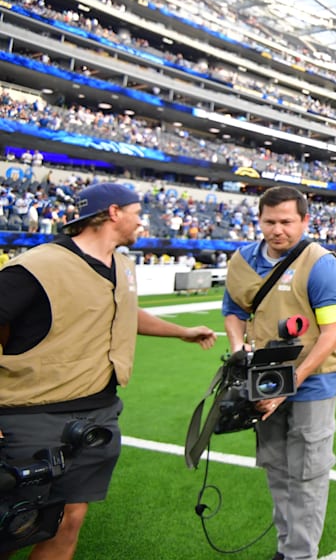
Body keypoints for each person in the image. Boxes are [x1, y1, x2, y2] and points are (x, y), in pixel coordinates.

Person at [0, 183, 216, 560]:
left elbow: (124, 312)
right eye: (137, 212)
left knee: (69, 520)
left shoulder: (123, 265)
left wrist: (182, 332)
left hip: (97, 413)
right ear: (113, 212)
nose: (141, 221)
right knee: (10, 525)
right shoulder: (37, 265)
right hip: (32, 413)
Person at [221, 186, 336, 560]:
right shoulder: (242, 261)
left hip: (316, 379)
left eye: (287, 222)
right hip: (263, 378)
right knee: (276, 465)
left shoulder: (321, 264)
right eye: (269, 222)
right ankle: (287, 547)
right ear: (259, 220)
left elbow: (331, 333)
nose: (278, 230)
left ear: (304, 221)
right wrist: (236, 348)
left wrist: (291, 383)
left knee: (308, 472)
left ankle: (300, 554)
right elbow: (233, 310)